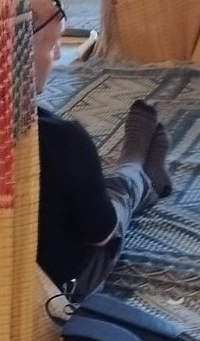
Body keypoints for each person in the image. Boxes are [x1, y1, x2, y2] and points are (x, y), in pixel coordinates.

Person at [32, 0, 173, 299]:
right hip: (54, 290)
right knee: (115, 200)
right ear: (19, 53)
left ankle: (136, 169)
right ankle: (138, 171)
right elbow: (101, 233)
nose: (57, 56)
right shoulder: (63, 139)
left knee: (82, 186)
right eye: (52, 45)